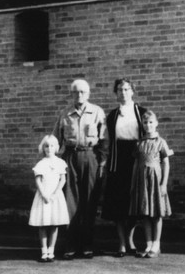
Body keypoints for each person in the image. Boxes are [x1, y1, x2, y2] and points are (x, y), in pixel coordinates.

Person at [52, 79, 108, 259]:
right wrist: (53, 163)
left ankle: (87, 244)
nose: (79, 95)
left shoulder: (97, 112)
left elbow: (105, 140)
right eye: (76, 92)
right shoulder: (64, 114)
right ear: (71, 94)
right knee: (70, 201)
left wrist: (102, 163)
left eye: (83, 92)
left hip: (90, 156)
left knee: (89, 201)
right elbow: (55, 140)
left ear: (88, 93)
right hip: (70, 157)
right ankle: (70, 244)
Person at [102, 78, 147, 257]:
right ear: (116, 93)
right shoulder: (112, 115)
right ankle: (121, 243)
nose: (123, 92)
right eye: (120, 89)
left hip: (135, 156)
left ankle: (130, 240)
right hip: (117, 159)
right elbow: (109, 140)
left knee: (133, 202)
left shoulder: (141, 112)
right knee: (118, 203)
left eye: (127, 89)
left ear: (133, 91)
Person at [129, 110, 173, 258]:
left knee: (157, 213)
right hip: (142, 181)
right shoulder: (139, 143)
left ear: (156, 124)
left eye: (151, 122)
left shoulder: (161, 142)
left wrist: (163, 184)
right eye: (145, 122)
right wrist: (133, 183)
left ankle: (156, 243)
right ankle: (148, 244)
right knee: (145, 213)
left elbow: (166, 164)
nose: (148, 125)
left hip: (155, 180)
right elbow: (135, 164)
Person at [28, 135, 70, 262]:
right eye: (46, 146)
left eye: (52, 146)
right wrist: (44, 195)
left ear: (56, 147)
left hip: (55, 196)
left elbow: (63, 179)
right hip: (43, 196)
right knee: (43, 224)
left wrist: (55, 193)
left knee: (54, 224)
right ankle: (44, 250)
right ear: (43, 148)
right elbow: (38, 181)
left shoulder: (60, 163)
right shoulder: (41, 164)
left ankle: (51, 250)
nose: (49, 148)